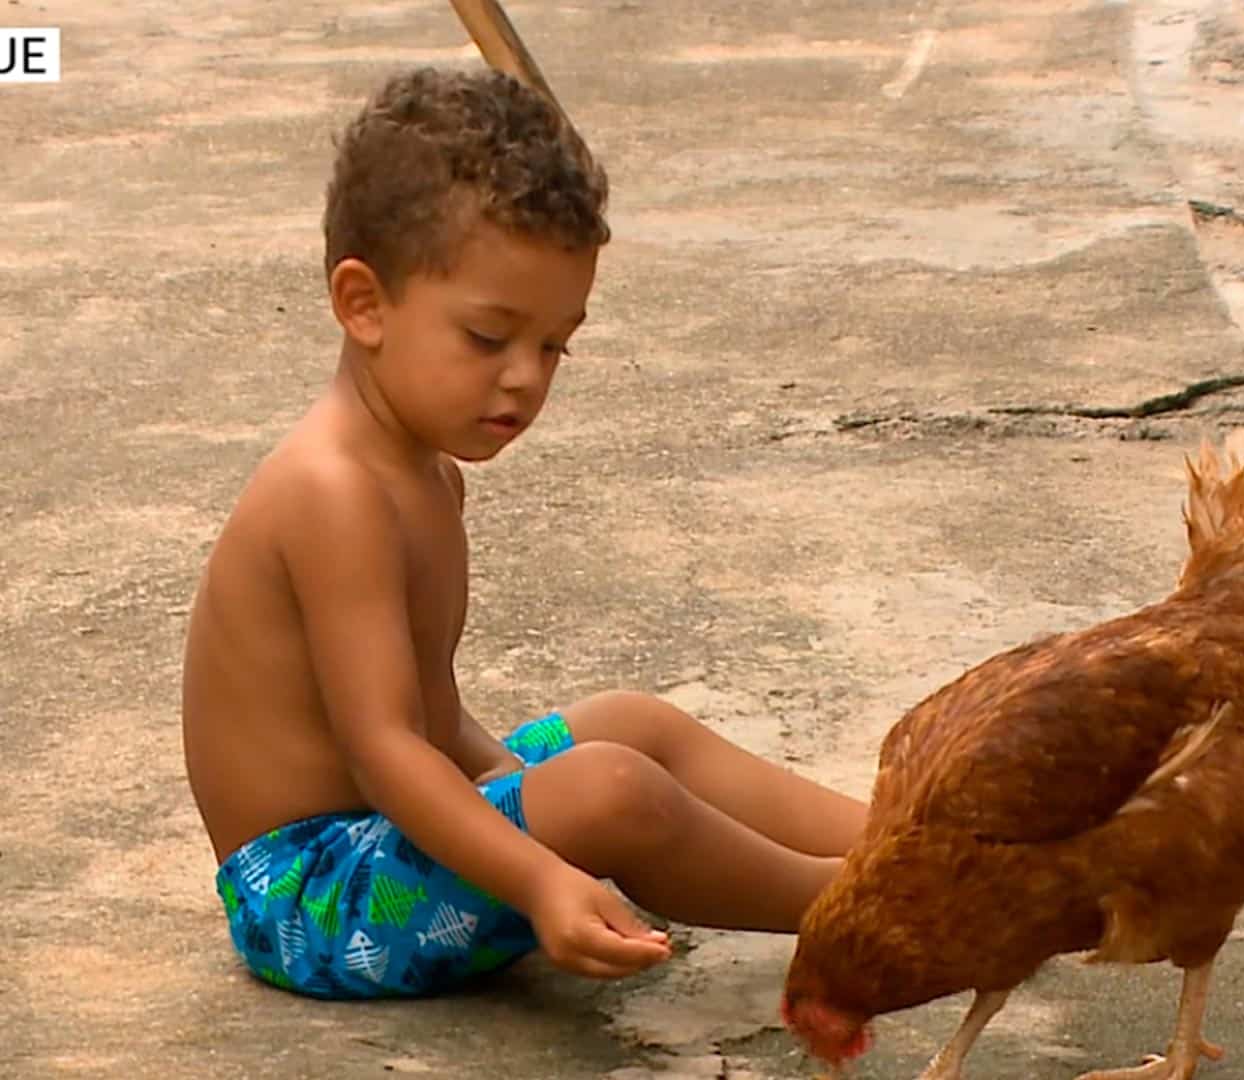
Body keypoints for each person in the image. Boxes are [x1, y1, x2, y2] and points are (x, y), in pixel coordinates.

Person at [180, 65, 867, 1000]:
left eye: (553, 345)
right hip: (315, 899)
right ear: (364, 304)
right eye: (488, 337)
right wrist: (540, 868)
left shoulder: (424, 472)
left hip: (389, 838)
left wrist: (515, 790)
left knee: (628, 725)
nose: (525, 380)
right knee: (609, 789)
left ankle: (905, 836)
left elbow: (431, 713)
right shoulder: (332, 492)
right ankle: (881, 902)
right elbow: (385, 750)